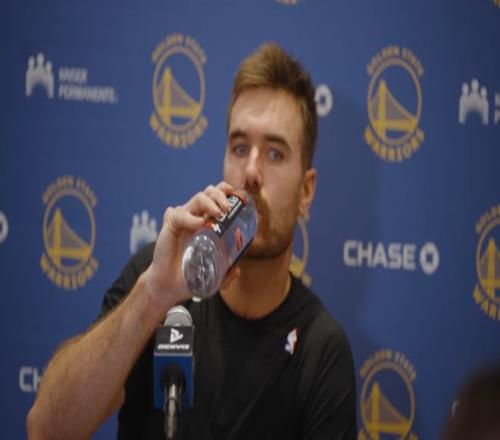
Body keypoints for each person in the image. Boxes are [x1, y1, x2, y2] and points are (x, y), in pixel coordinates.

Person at [27, 43, 357, 440]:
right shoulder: (159, 276)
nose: (251, 172)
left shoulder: (321, 349)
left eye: (275, 153)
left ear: (306, 191)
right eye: (239, 148)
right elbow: (47, 429)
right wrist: (153, 296)